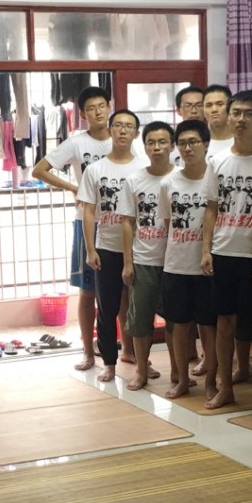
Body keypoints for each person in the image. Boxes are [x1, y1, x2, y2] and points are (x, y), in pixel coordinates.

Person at [32, 86, 134, 371]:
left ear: (109, 106)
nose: (98, 112)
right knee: (88, 292)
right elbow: (39, 170)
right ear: (83, 114)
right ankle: (89, 352)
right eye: (91, 108)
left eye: (102, 105)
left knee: (126, 291)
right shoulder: (77, 143)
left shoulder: (125, 139)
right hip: (87, 223)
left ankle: (127, 350)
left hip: (122, 224)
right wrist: (75, 188)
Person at [201, 90, 252, 410]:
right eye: (236, 113)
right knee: (224, 322)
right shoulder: (216, 161)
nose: (240, 119)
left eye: (248, 114)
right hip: (224, 251)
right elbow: (211, 209)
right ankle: (225, 388)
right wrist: (206, 249)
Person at [79, 109, 149, 383]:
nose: (122, 130)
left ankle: (143, 362)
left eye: (128, 126)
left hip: (141, 248)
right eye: (117, 125)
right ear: (110, 131)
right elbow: (88, 210)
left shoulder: (143, 167)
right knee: (106, 307)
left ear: (136, 133)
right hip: (106, 247)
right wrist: (90, 249)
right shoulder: (96, 169)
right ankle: (109, 362)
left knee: (140, 307)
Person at [161, 120, 218, 399]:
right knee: (179, 324)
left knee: (209, 325)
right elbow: (167, 223)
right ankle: (183, 380)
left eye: (193, 142)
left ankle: (211, 382)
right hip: (176, 264)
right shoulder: (169, 182)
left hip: (207, 265)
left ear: (206, 144)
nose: (187, 148)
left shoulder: (216, 176)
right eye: (182, 143)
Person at [121, 121, 176, 390]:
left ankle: (177, 371)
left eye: (163, 142)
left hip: (176, 261)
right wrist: (128, 262)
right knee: (140, 321)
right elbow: (128, 222)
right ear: (145, 147)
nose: (157, 147)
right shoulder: (134, 180)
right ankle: (141, 371)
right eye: (151, 142)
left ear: (172, 146)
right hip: (143, 260)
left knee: (176, 320)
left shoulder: (182, 177)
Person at [203, 84, 234, 159]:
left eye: (220, 104)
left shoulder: (241, 139)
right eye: (209, 105)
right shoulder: (198, 141)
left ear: (230, 106)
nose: (214, 110)